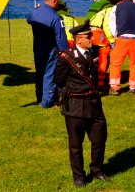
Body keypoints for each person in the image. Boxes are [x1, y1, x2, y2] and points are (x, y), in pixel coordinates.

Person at [54, 22, 110, 188]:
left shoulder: (94, 51)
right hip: (75, 106)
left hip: (94, 104)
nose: (92, 38)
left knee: (100, 140)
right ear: (79, 40)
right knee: (76, 145)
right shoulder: (67, 58)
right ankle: (78, 176)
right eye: (89, 36)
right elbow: (59, 80)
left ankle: (97, 170)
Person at [27, 0, 69, 108]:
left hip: (37, 47)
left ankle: (39, 98)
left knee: (40, 72)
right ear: (55, 0)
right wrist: (65, 51)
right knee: (49, 74)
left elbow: (28, 19)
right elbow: (60, 37)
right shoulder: (56, 17)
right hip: (50, 49)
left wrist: (37, 9)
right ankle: (47, 102)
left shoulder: (35, 12)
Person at [109, 0, 135, 95]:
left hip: (122, 39)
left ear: (122, 1)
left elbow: (112, 24)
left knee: (116, 63)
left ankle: (115, 87)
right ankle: (133, 86)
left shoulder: (116, 7)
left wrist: (116, 36)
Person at [88, 0, 121, 90]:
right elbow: (107, 25)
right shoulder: (109, 7)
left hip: (89, 32)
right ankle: (101, 83)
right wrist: (112, 41)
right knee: (104, 58)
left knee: (93, 58)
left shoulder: (98, 4)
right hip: (99, 33)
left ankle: (91, 80)